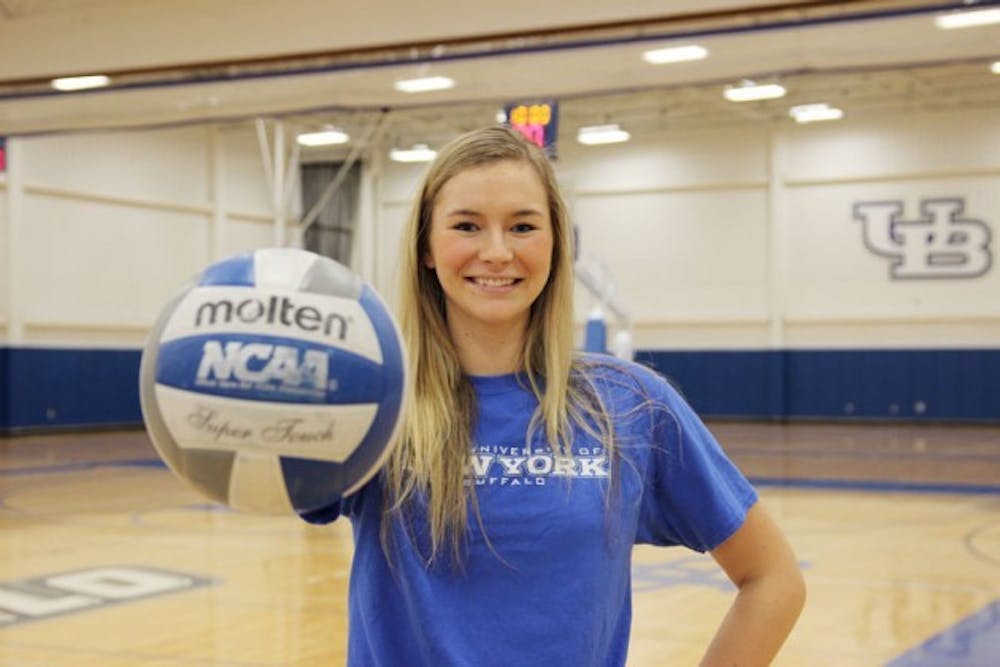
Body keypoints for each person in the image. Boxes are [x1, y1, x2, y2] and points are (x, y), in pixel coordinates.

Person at [302, 125, 806, 666]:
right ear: (427, 247)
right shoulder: (372, 398)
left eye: (522, 226)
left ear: (555, 244)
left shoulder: (630, 407)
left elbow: (773, 578)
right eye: (467, 226)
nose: (496, 252)